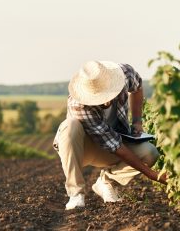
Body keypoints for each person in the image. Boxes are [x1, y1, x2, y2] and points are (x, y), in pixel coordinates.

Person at [53, 60, 167, 210]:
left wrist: (137, 121)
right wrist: (152, 175)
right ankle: (76, 194)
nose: (105, 101)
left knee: (149, 152)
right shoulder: (79, 105)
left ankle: (107, 182)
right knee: (70, 126)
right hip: (82, 148)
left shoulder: (124, 74)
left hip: (112, 141)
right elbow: (116, 147)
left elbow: (138, 87)